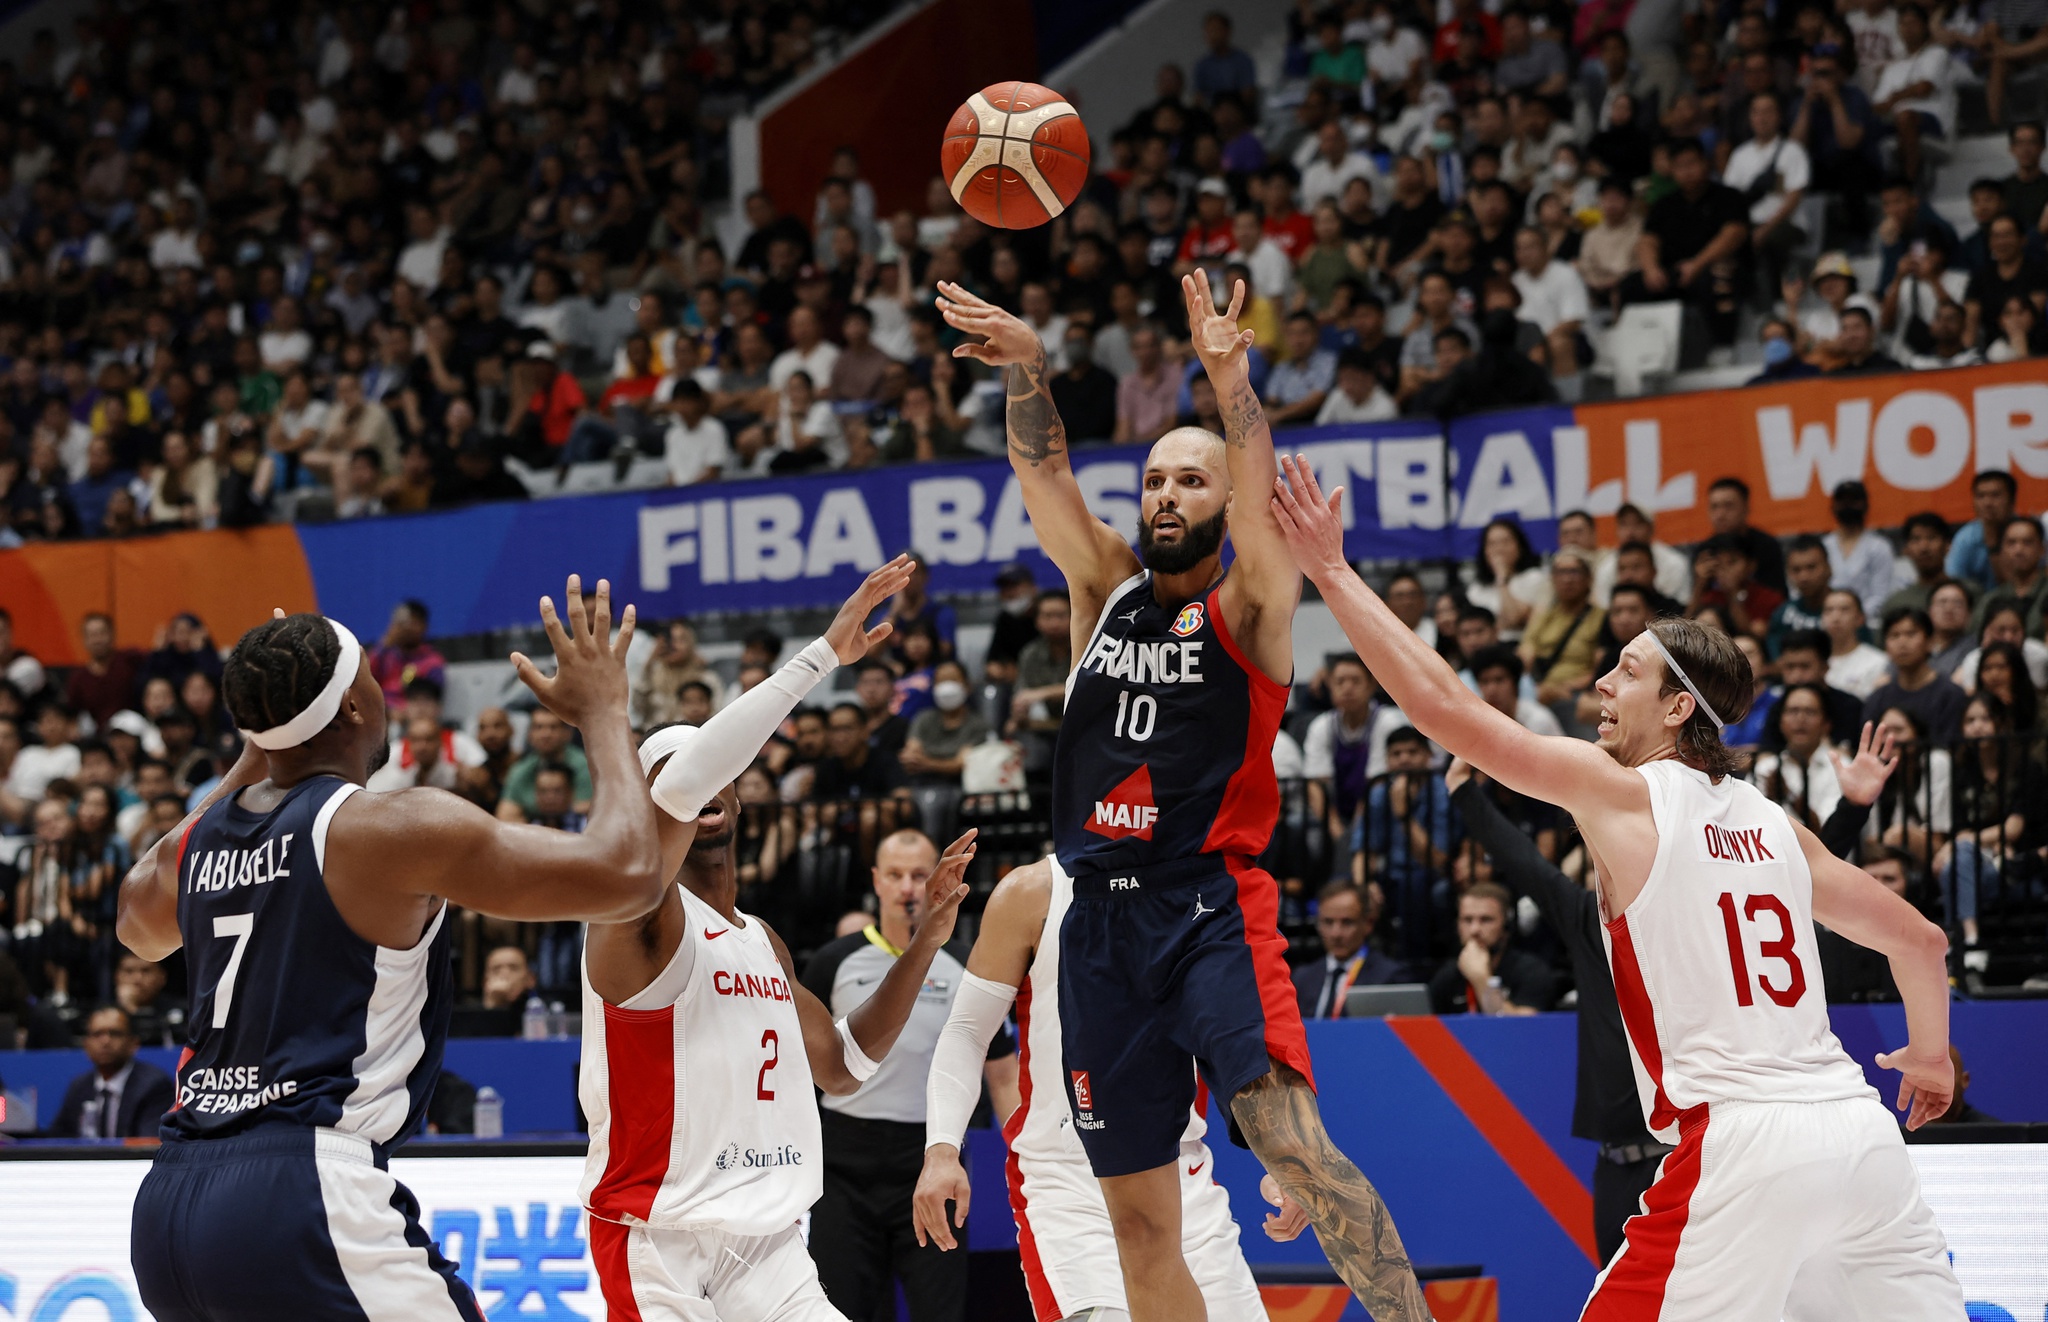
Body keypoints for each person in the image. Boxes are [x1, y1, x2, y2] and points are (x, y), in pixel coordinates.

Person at [1270, 456, 1964, 1320]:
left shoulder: (1626, 794)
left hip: (1741, 1144)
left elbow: (1449, 713)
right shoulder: (1780, 826)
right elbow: (1922, 942)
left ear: (1678, 710)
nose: (1602, 682)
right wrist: (1931, 1058)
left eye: (1627, 671)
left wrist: (1331, 572)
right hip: (1861, 1137)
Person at [935, 273, 1428, 1320]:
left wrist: (1226, 378)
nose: (1165, 494)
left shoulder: (1250, 606)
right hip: (1096, 926)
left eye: (1189, 484)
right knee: (1141, 1230)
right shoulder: (1101, 588)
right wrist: (1028, 367)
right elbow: (1043, 468)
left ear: (1219, 507)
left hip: (1206, 904)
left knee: (1292, 1143)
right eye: (1154, 479)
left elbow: (1256, 492)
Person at [117, 578, 667, 1321]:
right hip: (301, 1188)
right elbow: (628, 876)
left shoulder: (199, 844)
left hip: (169, 1208)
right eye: (374, 680)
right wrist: (604, 710)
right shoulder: (386, 829)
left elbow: (136, 925)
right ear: (352, 707)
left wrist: (264, 734)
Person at [583, 559, 987, 1322]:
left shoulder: (760, 939)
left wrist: (926, 942)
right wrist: (822, 655)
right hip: (657, 1238)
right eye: (669, 774)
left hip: (768, 1244)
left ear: (735, 788)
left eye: (708, 766)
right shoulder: (631, 914)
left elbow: (844, 1068)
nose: (695, 782)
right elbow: (679, 786)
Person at [910, 857, 1281, 1322]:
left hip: (1181, 1178)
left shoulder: (1202, 882)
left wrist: (1281, 1154)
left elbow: (1235, 1039)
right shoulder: (1031, 892)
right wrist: (941, 1149)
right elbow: (967, 1031)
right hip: (1068, 1181)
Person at [802, 828, 1016, 1322]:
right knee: (838, 1312)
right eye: (895, 875)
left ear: (939, 881)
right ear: (876, 881)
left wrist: (1023, 1159)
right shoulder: (834, 961)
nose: (907, 888)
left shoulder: (966, 963)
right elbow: (799, 1072)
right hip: (842, 1170)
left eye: (920, 876)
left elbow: (1003, 1075)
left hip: (930, 1160)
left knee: (940, 1311)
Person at [1426, 881, 1560, 1016]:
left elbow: (1520, 1030)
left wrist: (1481, 979)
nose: (1475, 930)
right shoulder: (1448, 976)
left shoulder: (1531, 972)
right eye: (1467, 920)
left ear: (1506, 926)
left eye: (1486, 920)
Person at [49, 1004, 175, 1138]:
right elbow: (58, 1139)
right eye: (97, 1034)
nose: (105, 1041)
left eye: (115, 1033)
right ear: (86, 1045)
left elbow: (147, 1145)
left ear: (133, 1043)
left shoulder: (154, 1086)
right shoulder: (79, 1087)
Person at [1294, 882, 1404, 1019]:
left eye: (1347, 922)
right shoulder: (1303, 979)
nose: (1336, 934)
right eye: (1328, 922)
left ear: (1367, 924)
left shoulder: (1388, 977)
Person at [1863, 608, 1969, 745]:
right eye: (1894, 636)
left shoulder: (1951, 694)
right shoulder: (1877, 699)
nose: (1902, 642)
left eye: (1911, 634)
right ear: (1886, 647)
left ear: (1929, 642)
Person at [1945, 471, 2016, 591]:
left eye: (1995, 495)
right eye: (1981, 496)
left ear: (2011, 500)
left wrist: (1992, 541)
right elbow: (1954, 584)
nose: (1987, 503)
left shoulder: (2027, 532)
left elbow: (2019, 587)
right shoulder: (1965, 539)